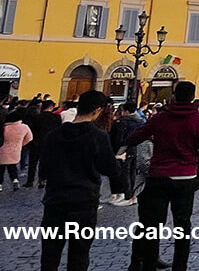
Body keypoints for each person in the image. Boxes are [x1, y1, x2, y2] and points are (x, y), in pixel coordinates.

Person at [125, 81, 199, 271]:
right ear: (192, 98)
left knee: (152, 226)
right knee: (183, 225)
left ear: (174, 95)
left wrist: (154, 138)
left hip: (159, 176)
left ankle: (148, 264)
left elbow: (133, 138)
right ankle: (180, 266)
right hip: (185, 177)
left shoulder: (161, 118)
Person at [35, 91, 120, 271]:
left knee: (49, 255)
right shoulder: (98, 136)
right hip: (83, 201)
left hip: (55, 201)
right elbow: (111, 169)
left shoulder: (54, 135)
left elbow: (43, 171)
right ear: (97, 110)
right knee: (79, 255)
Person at [109, 102, 144, 204]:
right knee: (132, 172)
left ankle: (126, 195)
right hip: (135, 148)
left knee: (125, 173)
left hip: (125, 149)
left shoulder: (124, 122)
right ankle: (132, 194)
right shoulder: (140, 121)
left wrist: (118, 151)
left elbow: (120, 138)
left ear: (127, 111)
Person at [24, 99, 61, 188]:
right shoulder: (56, 118)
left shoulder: (36, 117)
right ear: (51, 107)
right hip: (49, 143)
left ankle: (30, 181)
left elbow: (31, 129)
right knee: (44, 162)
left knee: (32, 162)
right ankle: (42, 180)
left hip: (36, 142)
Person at [0, 108, 32, 191]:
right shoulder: (24, 127)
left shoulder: (3, 127)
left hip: (1, 150)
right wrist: (21, 144)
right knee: (13, 166)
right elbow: (29, 138)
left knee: (0, 168)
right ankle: (15, 180)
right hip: (15, 150)